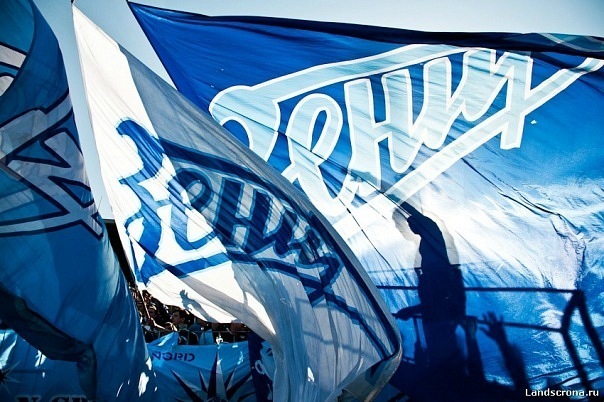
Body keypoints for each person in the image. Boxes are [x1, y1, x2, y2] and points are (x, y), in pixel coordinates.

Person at [393, 202, 466, 377]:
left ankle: (446, 373)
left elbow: (438, 303)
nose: (408, 227)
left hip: (438, 316)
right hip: (438, 313)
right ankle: (446, 371)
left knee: (441, 348)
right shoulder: (430, 242)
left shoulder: (432, 235)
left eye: (409, 223)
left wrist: (398, 200)